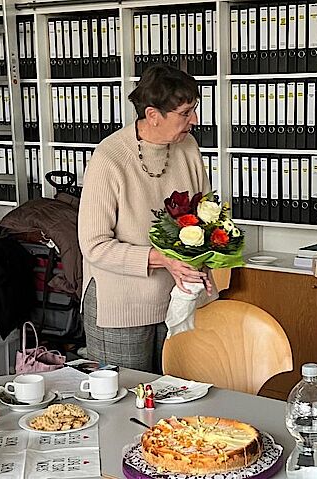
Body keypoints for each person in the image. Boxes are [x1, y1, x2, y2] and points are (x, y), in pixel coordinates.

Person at [78, 65, 215, 374]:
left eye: (194, 110)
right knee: (127, 402)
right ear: (153, 115)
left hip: (179, 297)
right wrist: (163, 258)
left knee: (177, 398)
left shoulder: (188, 147)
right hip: (122, 304)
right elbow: (94, 245)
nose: (194, 120)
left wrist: (205, 257)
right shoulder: (109, 158)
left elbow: (205, 214)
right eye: (185, 113)